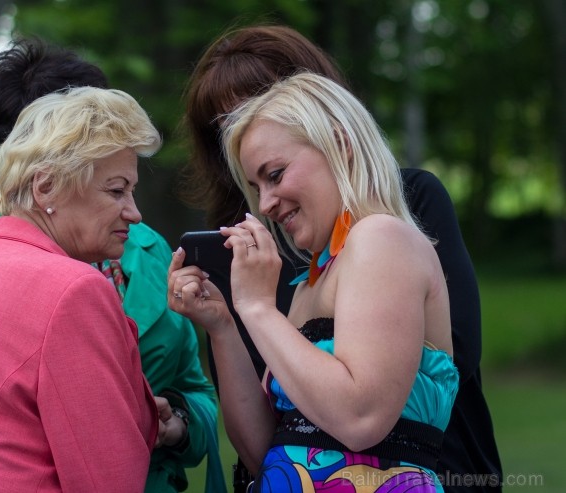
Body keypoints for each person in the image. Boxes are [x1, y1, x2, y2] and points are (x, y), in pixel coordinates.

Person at [180, 25, 502, 493]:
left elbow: (360, 418)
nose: (265, 203)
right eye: (257, 187)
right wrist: (224, 327)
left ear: (339, 142)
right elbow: (264, 446)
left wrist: (255, 309)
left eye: (275, 175)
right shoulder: (312, 278)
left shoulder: (382, 237)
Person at [0, 39, 224, 493]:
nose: (135, 212)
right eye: (115, 190)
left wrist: (177, 422)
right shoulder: (73, 287)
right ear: (45, 186)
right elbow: (108, 479)